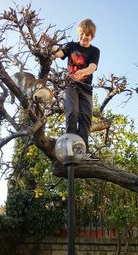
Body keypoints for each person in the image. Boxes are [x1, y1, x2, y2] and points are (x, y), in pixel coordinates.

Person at [54, 18, 100, 160]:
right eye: (82, 34)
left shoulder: (94, 51)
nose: (84, 37)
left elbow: (93, 67)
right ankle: (68, 146)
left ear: (92, 36)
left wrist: (84, 72)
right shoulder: (71, 46)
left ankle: (83, 150)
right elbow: (58, 54)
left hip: (86, 88)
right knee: (72, 112)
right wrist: (50, 47)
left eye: (88, 35)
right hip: (71, 85)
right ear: (79, 33)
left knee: (86, 117)